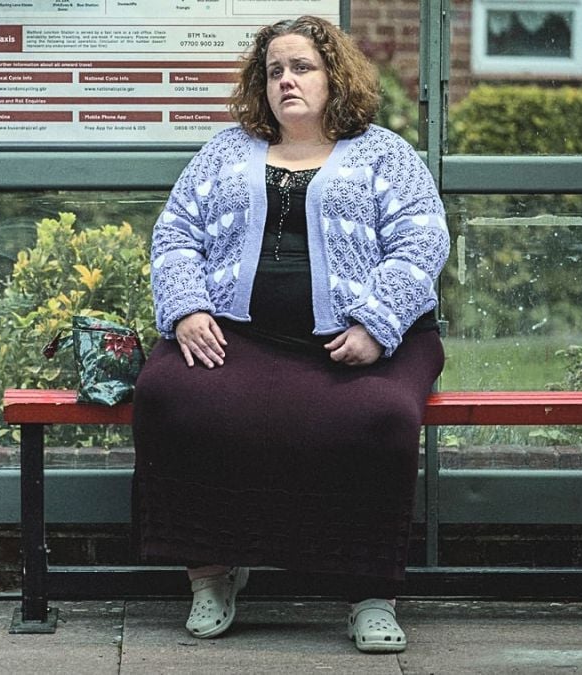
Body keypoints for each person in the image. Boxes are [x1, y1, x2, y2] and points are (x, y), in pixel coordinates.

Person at [131, 15, 448, 653]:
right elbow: (175, 233)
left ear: (335, 76)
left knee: (381, 416)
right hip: (240, 335)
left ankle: (370, 594)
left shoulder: (385, 152)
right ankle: (212, 573)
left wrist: (378, 322)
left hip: (356, 340)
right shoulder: (223, 150)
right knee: (167, 393)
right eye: (275, 70)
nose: (286, 80)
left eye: (301, 67)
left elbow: (423, 238)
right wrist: (189, 308)